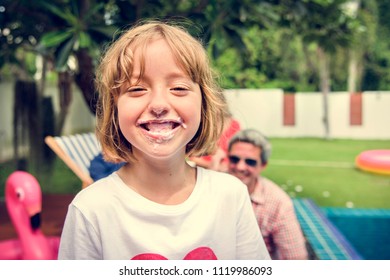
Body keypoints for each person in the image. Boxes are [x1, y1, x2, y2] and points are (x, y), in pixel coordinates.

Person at [58, 21, 270, 260]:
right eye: (137, 89)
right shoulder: (90, 210)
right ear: (113, 108)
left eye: (179, 88)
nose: (159, 105)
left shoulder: (231, 196)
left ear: (204, 104)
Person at [227, 129, 308, 260]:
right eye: (234, 159)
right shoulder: (212, 187)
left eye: (250, 162)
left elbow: (296, 259)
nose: (240, 167)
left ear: (263, 165)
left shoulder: (278, 202)